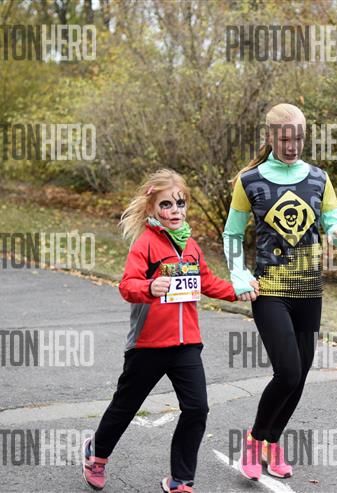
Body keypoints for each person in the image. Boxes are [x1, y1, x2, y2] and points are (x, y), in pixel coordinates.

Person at [81, 169, 256, 493]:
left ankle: (180, 480)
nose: (175, 210)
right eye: (166, 204)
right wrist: (150, 286)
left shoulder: (191, 246)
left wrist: (238, 291)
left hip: (186, 344)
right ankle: (97, 454)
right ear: (152, 208)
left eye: (180, 203)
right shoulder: (145, 245)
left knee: (197, 408)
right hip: (148, 344)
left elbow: (206, 281)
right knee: (125, 406)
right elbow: (127, 286)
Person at [223, 103, 337, 480]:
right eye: (285, 138)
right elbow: (232, 234)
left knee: (301, 374)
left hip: (310, 290)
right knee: (288, 371)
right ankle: (254, 441)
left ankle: (272, 442)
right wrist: (239, 274)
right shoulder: (249, 181)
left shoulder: (319, 178)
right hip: (270, 290)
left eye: (299, 137)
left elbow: (332, 221)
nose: (293, 145)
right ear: (270, 136)